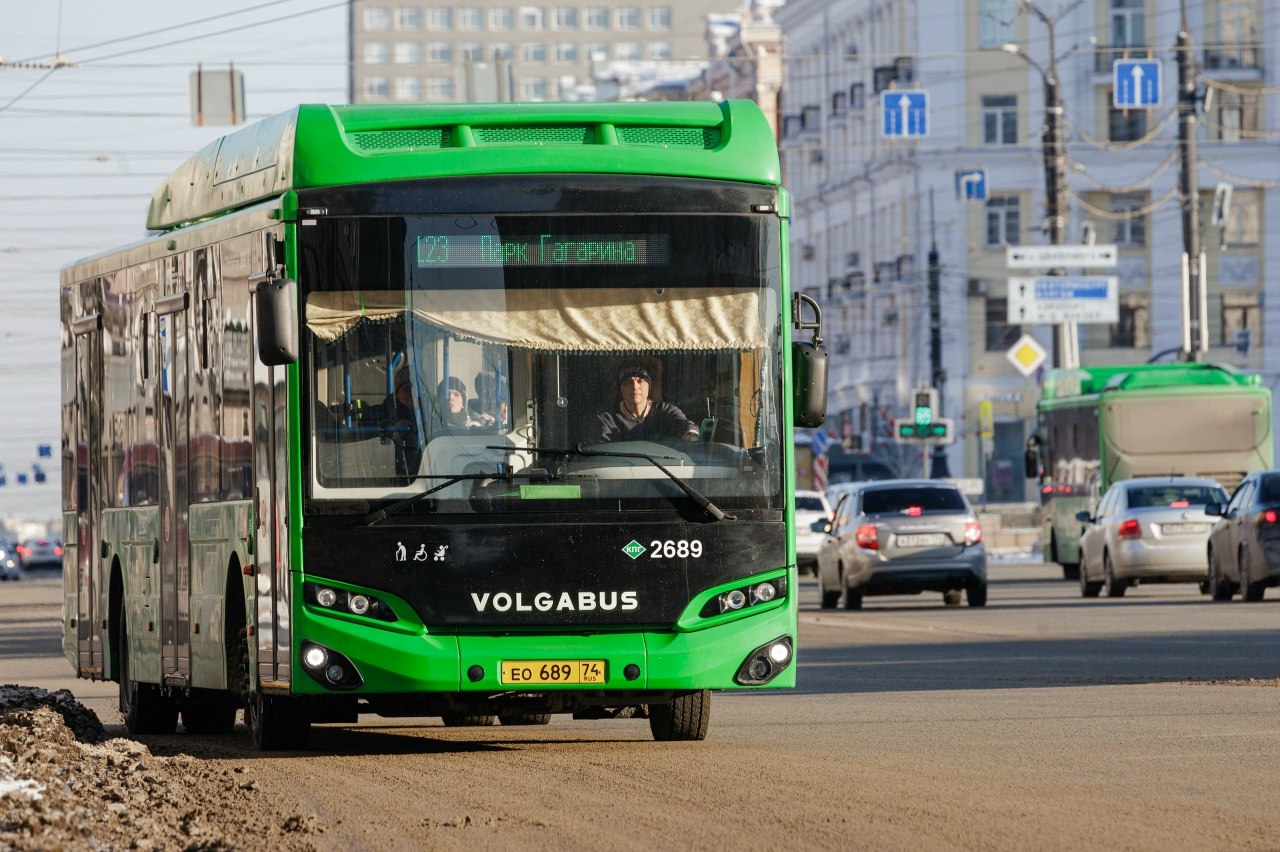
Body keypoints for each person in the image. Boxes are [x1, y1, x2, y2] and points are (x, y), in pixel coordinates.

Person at [592, 365, 698, 443]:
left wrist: (690, 434)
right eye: (628, 382)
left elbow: (685, 425)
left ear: (649, 387)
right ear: (621, 389)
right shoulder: (606, 418)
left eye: (640, 381)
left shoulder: (665, 411)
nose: (635, 386)